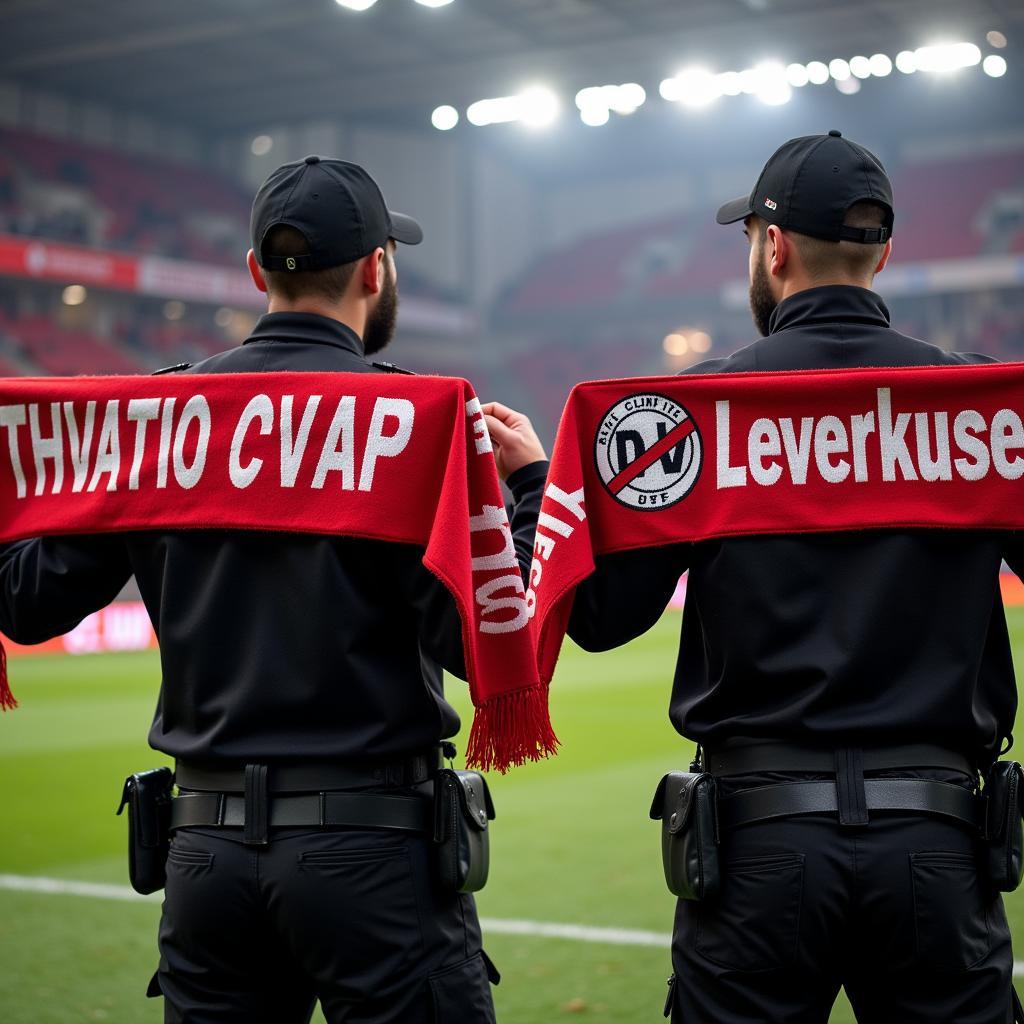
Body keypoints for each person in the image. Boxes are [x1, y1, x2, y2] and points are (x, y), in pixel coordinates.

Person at [0, 155, 548, 1023]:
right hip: (372, 851)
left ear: (256, 272)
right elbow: (487, 638)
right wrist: (527, 492)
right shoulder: (414, 422)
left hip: (204, 856)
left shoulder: (155, 422)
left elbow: (25, 603)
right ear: (377, 269)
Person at [566, 131, 1023, 1023]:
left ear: (771, 247)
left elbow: (601, 618)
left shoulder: (695, 415)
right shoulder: (980, 406)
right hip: (937, 838)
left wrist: (535, 487)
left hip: (757, 846)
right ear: (884, 252)